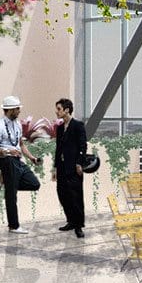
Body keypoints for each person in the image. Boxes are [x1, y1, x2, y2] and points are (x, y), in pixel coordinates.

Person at [0, 95, 42, 234]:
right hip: (7, 161)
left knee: (34, 184)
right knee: (12, 196)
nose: (19, 111)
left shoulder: (17, 124)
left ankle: (6, 181)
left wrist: (32, 158)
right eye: (17, 108)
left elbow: (21, 144)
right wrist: (7, 151)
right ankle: (14, 226)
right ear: (10, 110)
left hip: (18, 160)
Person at [52, 98, 87, 239]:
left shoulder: (78, 125)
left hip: (74, 168)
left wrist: (79, 163)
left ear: (67, 110)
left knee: (76, 197)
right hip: (61, 168)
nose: (56, 111)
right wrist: (54, 168)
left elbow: (83, 146)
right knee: (63, 195)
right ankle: (71, 221)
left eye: (59, 109)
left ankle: (78, 226)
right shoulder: (60, 128)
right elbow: (58, 149)